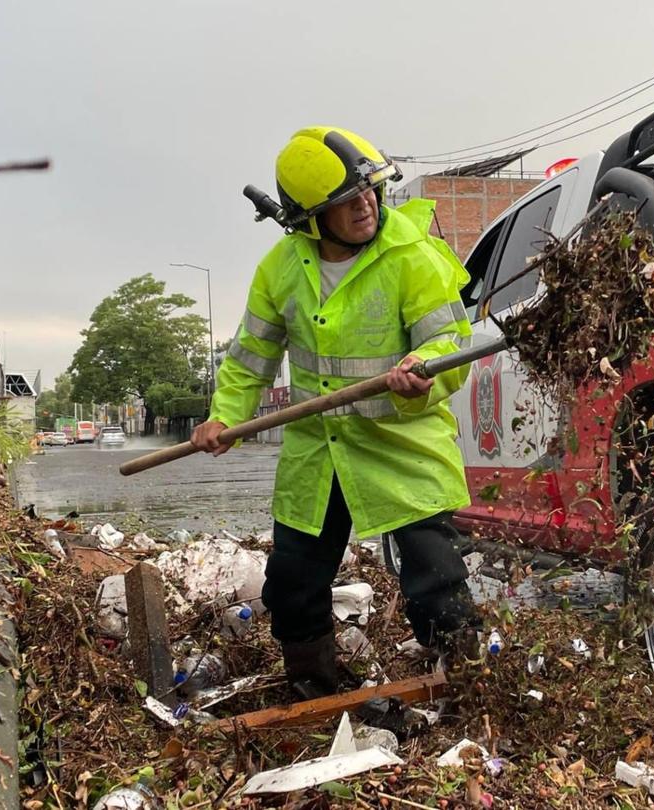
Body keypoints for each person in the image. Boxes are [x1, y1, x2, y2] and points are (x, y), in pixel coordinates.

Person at [191, 126, 481, 700]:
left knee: (436, 577)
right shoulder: (281, 270)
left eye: (370, 191)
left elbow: (452, 341)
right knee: (294, 582)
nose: (365, 205)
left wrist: (421, 367)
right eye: (346, 201)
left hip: (401, 447)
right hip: (317, 455)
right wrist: (223, 415)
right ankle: (312, 687)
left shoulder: (412, 257)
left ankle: (466, 681)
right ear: (309, 218)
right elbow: (251, 359)